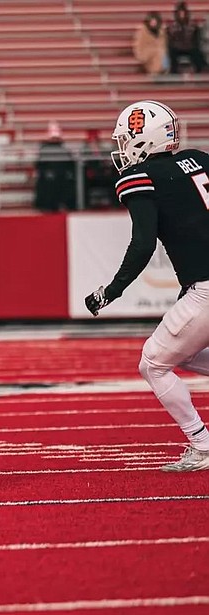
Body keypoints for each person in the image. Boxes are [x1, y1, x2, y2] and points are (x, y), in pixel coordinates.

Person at [84, 100, 209, 472]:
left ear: (144, 139)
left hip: (206, 287)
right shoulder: (199, 158)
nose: (122, 149)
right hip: (202, 285)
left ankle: (202, 444)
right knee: (181, 353)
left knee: (153, 364)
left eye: (127, 139)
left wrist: (112, 290)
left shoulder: (140, 178)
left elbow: (143, 244)